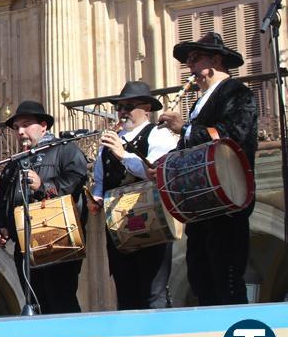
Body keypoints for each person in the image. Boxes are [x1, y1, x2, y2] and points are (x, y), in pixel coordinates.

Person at [158, 32, 258, 306]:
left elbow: (231, 136)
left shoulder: (238, 93)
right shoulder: (200, 104)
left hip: (228, 198)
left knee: (226, 278)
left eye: (194, 59)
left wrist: (186, 129)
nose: (189, 67)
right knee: (201, 277)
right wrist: (163, 164)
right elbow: (194, 146)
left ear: (215, 60)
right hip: (202, 205)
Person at [0, 101, 88, 314]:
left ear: (43, 125)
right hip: (25, 243)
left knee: (60, 298)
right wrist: (1, 226)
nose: (20, 131)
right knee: (36, 302)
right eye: (17, 127)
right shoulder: (14, 163)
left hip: (57, 238)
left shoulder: (65, 149)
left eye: (26, 125)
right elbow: (3, 200)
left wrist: (42, 186)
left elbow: (75, 180)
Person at [91, 81, 177, 309]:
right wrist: (96, 197)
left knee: (153, 291)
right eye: (119, 107)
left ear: (146, 108)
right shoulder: (109, 142)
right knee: (126, 291)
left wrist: (122, 153)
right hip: (118, 225)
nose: (123, 112)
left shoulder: (158, 134)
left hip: (151, 221)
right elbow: (100, 179)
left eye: (129, 106)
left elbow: (156, 172)